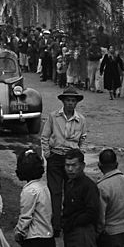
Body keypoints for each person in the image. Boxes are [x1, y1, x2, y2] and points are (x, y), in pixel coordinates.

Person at [40, 88, 89, 224]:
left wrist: (81, 155)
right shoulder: (53, 116)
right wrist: (47, 153)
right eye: (68, 100)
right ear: (63, 101)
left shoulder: (81, 120)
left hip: (72, 158)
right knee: (55, 192)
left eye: (73, 101)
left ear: (76, 103)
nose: (70, 103)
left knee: (71, 191)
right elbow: (44, 136)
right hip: (55, 156)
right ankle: (55, 223)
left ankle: (68, 221)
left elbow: (83, 139)